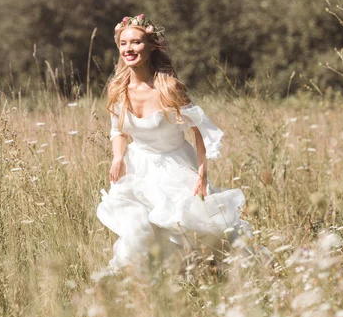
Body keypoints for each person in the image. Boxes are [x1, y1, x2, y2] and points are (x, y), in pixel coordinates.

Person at [97, 14, 250, 273]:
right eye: (123, 44)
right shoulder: (118, 89)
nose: (128, 49)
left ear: (151, 46)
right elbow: (118, 130)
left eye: (136, 42)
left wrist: (202, 173)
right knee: (139, 229)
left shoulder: (168, 88)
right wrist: (118, 157)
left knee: (189, 227)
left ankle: (204, 276)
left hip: (175, 165)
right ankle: (146, 283)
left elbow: (200, 128)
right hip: (139, 167)